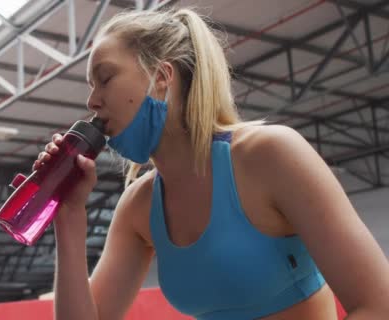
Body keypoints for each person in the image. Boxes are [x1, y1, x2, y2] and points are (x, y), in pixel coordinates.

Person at [32, 7, 389, 320]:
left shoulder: (270, 155)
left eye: (105, 79)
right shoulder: (137, 209)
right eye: (91, 87)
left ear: (161, 76)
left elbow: (379, 305)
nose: (92, 101)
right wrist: (70, 215)